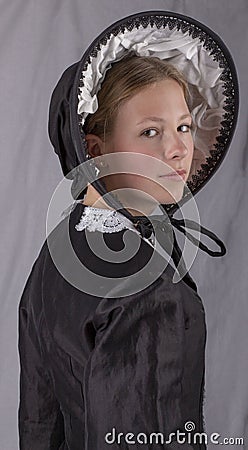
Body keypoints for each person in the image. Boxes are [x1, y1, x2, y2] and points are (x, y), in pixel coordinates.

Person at [18, 11, 239, 450]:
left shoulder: (57, 253)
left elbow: (39, 428)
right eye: (150, 131)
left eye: (183, 127)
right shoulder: (149, 292)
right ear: (96, 151)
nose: (178, 149)